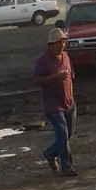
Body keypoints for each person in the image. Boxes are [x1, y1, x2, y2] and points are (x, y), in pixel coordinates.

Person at [33, 27, 78, 176]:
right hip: (53, 104)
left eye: (63, 42)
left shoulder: (66, 57)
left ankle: (49, 153)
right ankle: (67, 167)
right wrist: (55, 78)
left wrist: (70, 97)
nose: (62, 45)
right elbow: (37, 81)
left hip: (68, 102)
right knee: (63, 135)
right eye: (59, 42)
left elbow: (70, 78)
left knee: (67, 135)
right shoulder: (42, 60)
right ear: (50, 45)